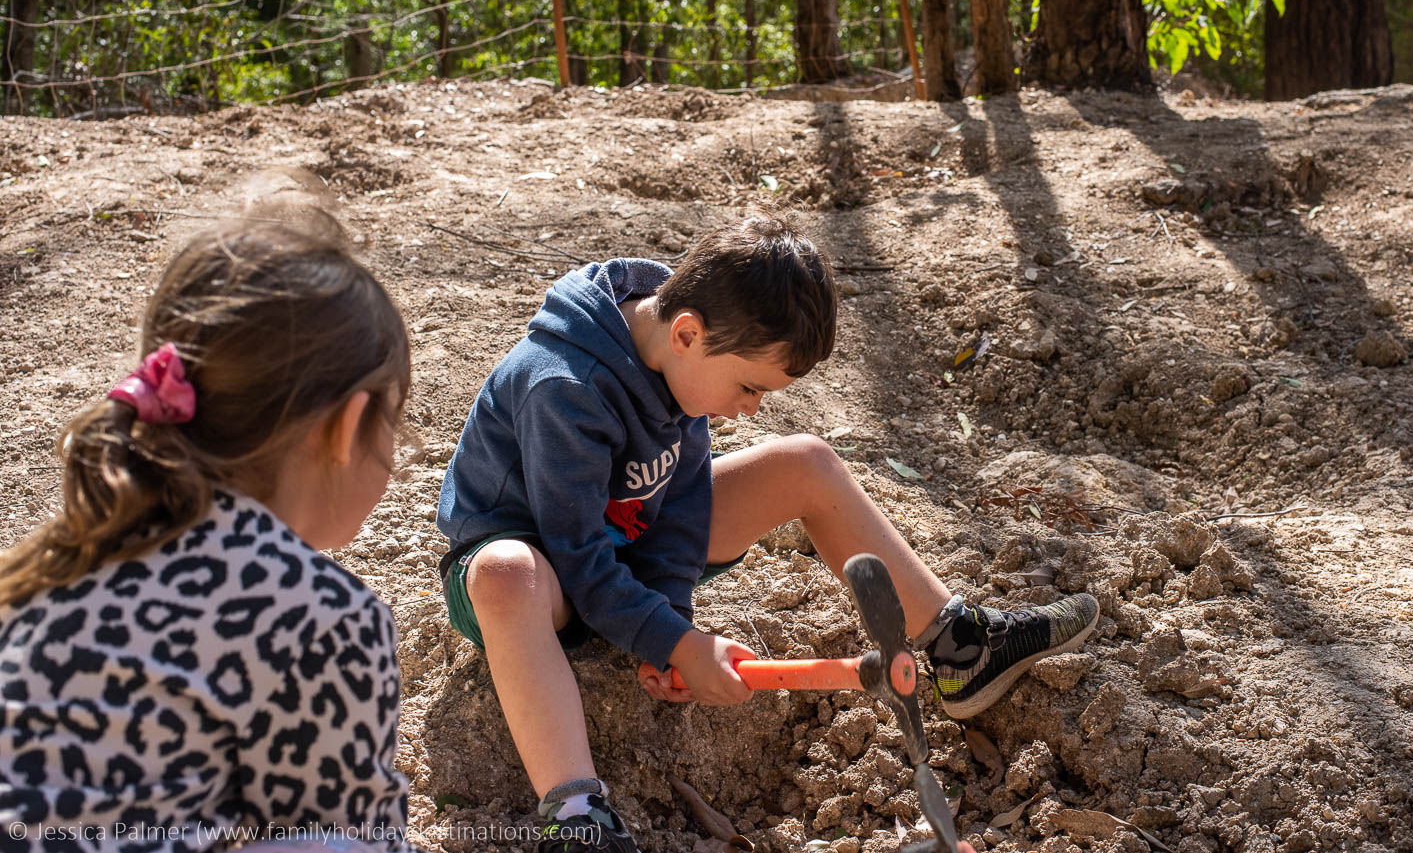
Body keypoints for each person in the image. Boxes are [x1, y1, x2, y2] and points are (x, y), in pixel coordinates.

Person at [436, 214, 1099, 853]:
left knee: (803, 463)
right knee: (508, 573)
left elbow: (685, 500)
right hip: (542, 573)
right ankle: (576, 812)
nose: (750, 407)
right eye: (750, 387)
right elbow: (578, 556)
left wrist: (668, 626)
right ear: (689, 333)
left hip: (623, 532)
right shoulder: (564, 385)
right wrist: (678, 642)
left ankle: (958, 645)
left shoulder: (682, 351)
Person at [0, 215, 419, 853]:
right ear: (346, 425)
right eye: (396, 419)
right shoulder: (323, 615)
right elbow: (360, 833)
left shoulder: (69, 552)